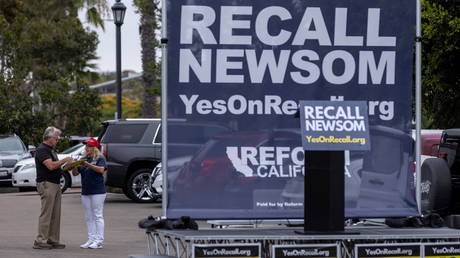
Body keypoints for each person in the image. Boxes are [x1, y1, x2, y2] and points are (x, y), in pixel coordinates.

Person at [34, 126, 73, 250]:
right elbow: (50, 166)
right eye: (56, 138)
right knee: (46, 213)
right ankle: (40, 240)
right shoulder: (42, 150)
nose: (57, 141)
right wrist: (65, 159)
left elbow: (55, 167)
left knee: (55, 214)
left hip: (55, 184)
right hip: (46, 184)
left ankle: (52, 239)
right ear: (49, 138)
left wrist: (68, 165)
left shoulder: (50, 150)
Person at [71, 137, 107, 249]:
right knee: (88, 216)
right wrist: (74, 165)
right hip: (86, 191)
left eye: (89, 146)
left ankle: (99, 240)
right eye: (86, 146)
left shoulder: (100, 158)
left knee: (97, 215)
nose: (87, 148)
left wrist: (88, 165)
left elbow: (101, 170)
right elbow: (76, 173)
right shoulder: (83, 158)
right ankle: (91, 239)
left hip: (98, 191)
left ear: (94, 148)